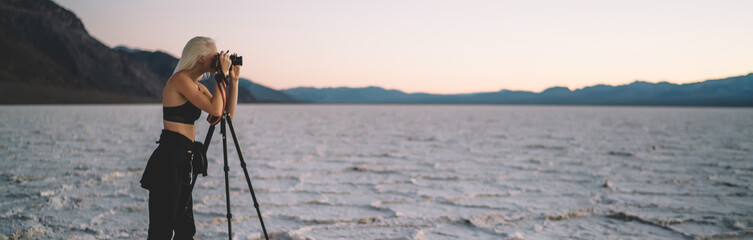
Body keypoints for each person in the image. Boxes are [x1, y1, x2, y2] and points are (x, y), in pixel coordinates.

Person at [140, 36, 240, 239]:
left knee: (186, 230)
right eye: (215, 56)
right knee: (162, 230)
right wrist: (221, 75)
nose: (218, 59)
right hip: (169, 159)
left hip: (185, 160)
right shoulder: (180, 81)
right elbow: (214, 107)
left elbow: (221, 115)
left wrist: (234, 80)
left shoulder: (196, 86)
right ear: (200, 58)